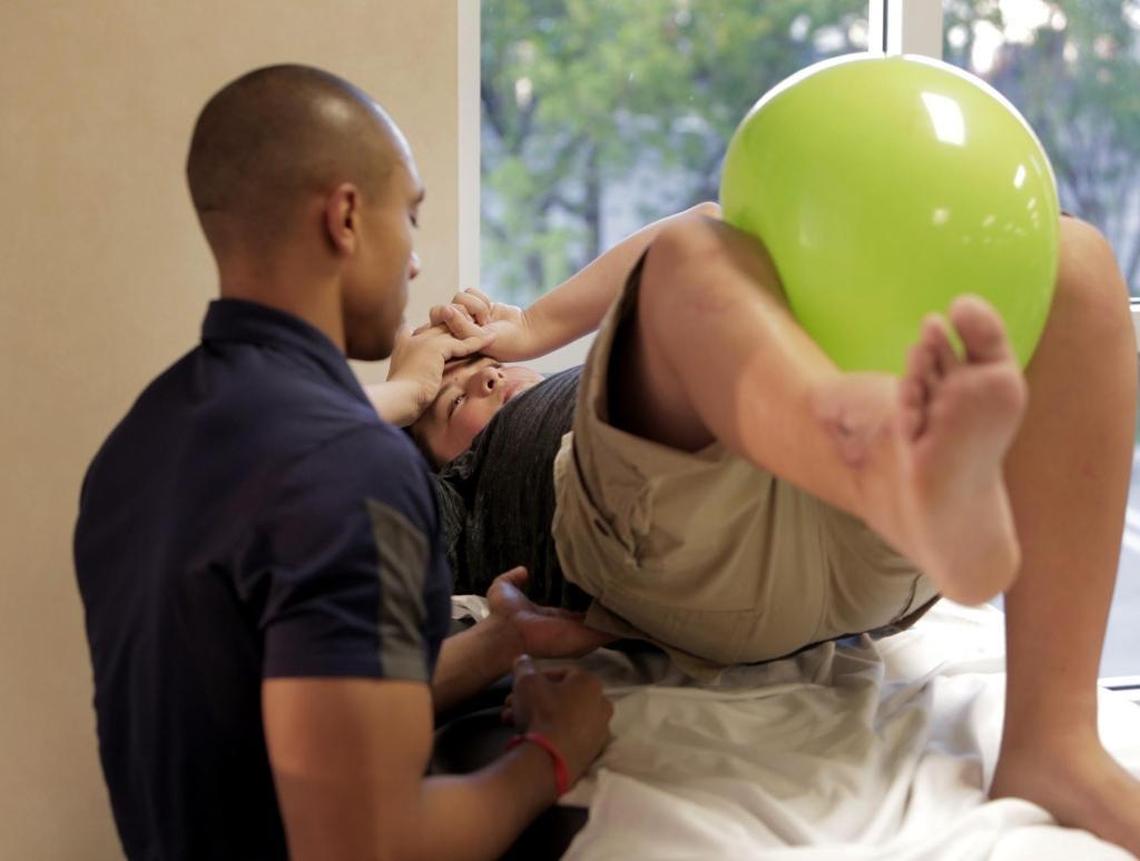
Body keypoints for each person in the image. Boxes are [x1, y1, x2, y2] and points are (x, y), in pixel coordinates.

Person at [393, 206, 1140, 854]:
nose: (483, 375)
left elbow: (710, 211)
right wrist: (404, 388)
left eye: (483, 365)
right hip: (684, 542)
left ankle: (1053, 739)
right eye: (455, 397)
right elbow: (317, 472)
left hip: (838, 514)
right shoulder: (443, 494)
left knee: (1072, 257)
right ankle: (890, 463)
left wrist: (530, 323)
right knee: (685, 260)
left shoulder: (660, 374)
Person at [72, 64, 615, 861]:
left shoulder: (134, 448)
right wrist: (552, 752)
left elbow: (300, 699)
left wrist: (503, 639)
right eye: (412, 215)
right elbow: (371, 842)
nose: (416, 263)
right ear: (348, 216)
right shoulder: (348, 467)